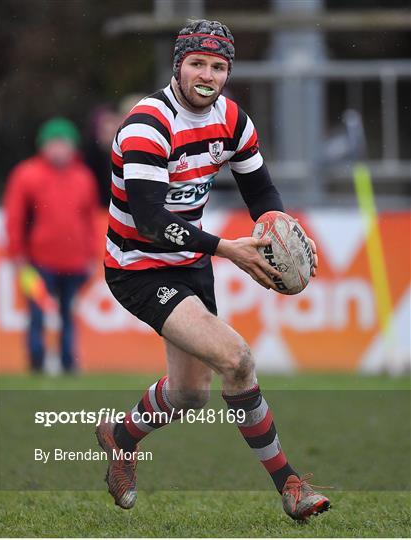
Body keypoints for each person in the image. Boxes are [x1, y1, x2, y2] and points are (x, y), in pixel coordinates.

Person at [97, 20, 330, 521]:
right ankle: (290, 486)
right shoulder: (146, 124)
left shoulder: (232, 119)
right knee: (238, 359)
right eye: (197, 63)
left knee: (188, 395)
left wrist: (274, 223)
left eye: (218, 66)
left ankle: (119, 437)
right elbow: (153, 221)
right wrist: (230, 249)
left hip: (190, 262)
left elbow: (260, 191)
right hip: (139, 267)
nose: (207, 74)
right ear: (178, 66)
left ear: (228, 72)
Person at [4, 117, 100, 373]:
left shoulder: (84, 177)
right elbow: (15, 218)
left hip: (75, 261)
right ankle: (36, 362)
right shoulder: (26, 175)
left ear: (72, 146)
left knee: (69, 314)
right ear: (43, 146)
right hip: (37, 262)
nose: (59, 149)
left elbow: (90, 221)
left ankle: (69, 362)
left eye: (64, 143)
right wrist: (18, 255)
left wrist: (92, 255)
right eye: (54, 143)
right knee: (37, 314)